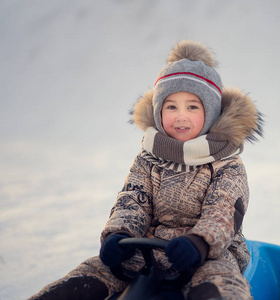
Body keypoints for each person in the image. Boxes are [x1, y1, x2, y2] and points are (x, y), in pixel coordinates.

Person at [28, 40, 263, 300]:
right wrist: (118, 234)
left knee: (220, 285)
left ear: (211, 112)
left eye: (192, 107)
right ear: (158, 110)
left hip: (208, 255)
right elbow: (132, 200)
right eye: (171, 106)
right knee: (91, 274)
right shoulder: (149, 158)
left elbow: (224, 210)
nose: (181, 116)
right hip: (147, 252)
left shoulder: (226, 164)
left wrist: (199, 242)